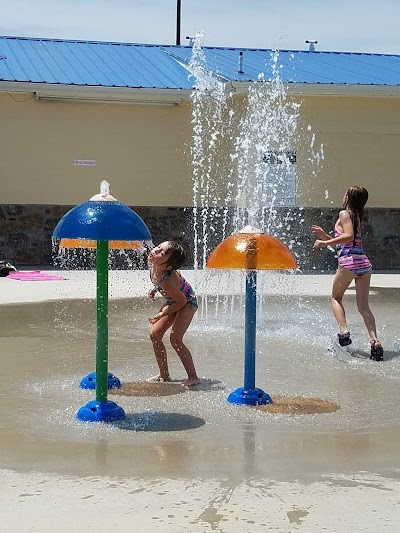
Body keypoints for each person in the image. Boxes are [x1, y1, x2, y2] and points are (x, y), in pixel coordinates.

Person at [311, 185, 384, 361]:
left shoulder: (345, 214)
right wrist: (325, 236)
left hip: (349, 264)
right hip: (363, 264)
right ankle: (374, 341)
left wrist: (321, 243)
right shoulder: (357, 216)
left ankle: (344, 332)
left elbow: (348, 237)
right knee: (363, 307)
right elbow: (341, 244)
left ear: (348, 198)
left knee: (335, 298)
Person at [147, 241, 201, 386]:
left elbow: (181, 301)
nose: (156, 251)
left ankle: (193, 376)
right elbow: (168, 289)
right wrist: (155, 289)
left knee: (175, 339)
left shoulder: (167, 279)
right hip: (174, 300)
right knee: (155, 335)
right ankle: (163, 375)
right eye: (158, 247)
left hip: (187, 303)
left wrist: (161, 314)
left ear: (167, 266)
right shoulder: (155, 269)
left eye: (161, 253)